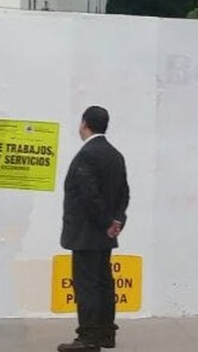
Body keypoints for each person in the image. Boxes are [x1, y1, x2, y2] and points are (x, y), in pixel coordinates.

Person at [58, 106, 130, 352]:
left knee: (87, 285)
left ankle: (88, 338)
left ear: (84, 124)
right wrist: (116, 222)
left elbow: (89, 195)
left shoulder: (87, 155)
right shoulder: (115, 155)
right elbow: (124, 193)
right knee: (103, 283)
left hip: (87, 234)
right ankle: (106, 334)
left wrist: (105, 223)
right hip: (105, 234)